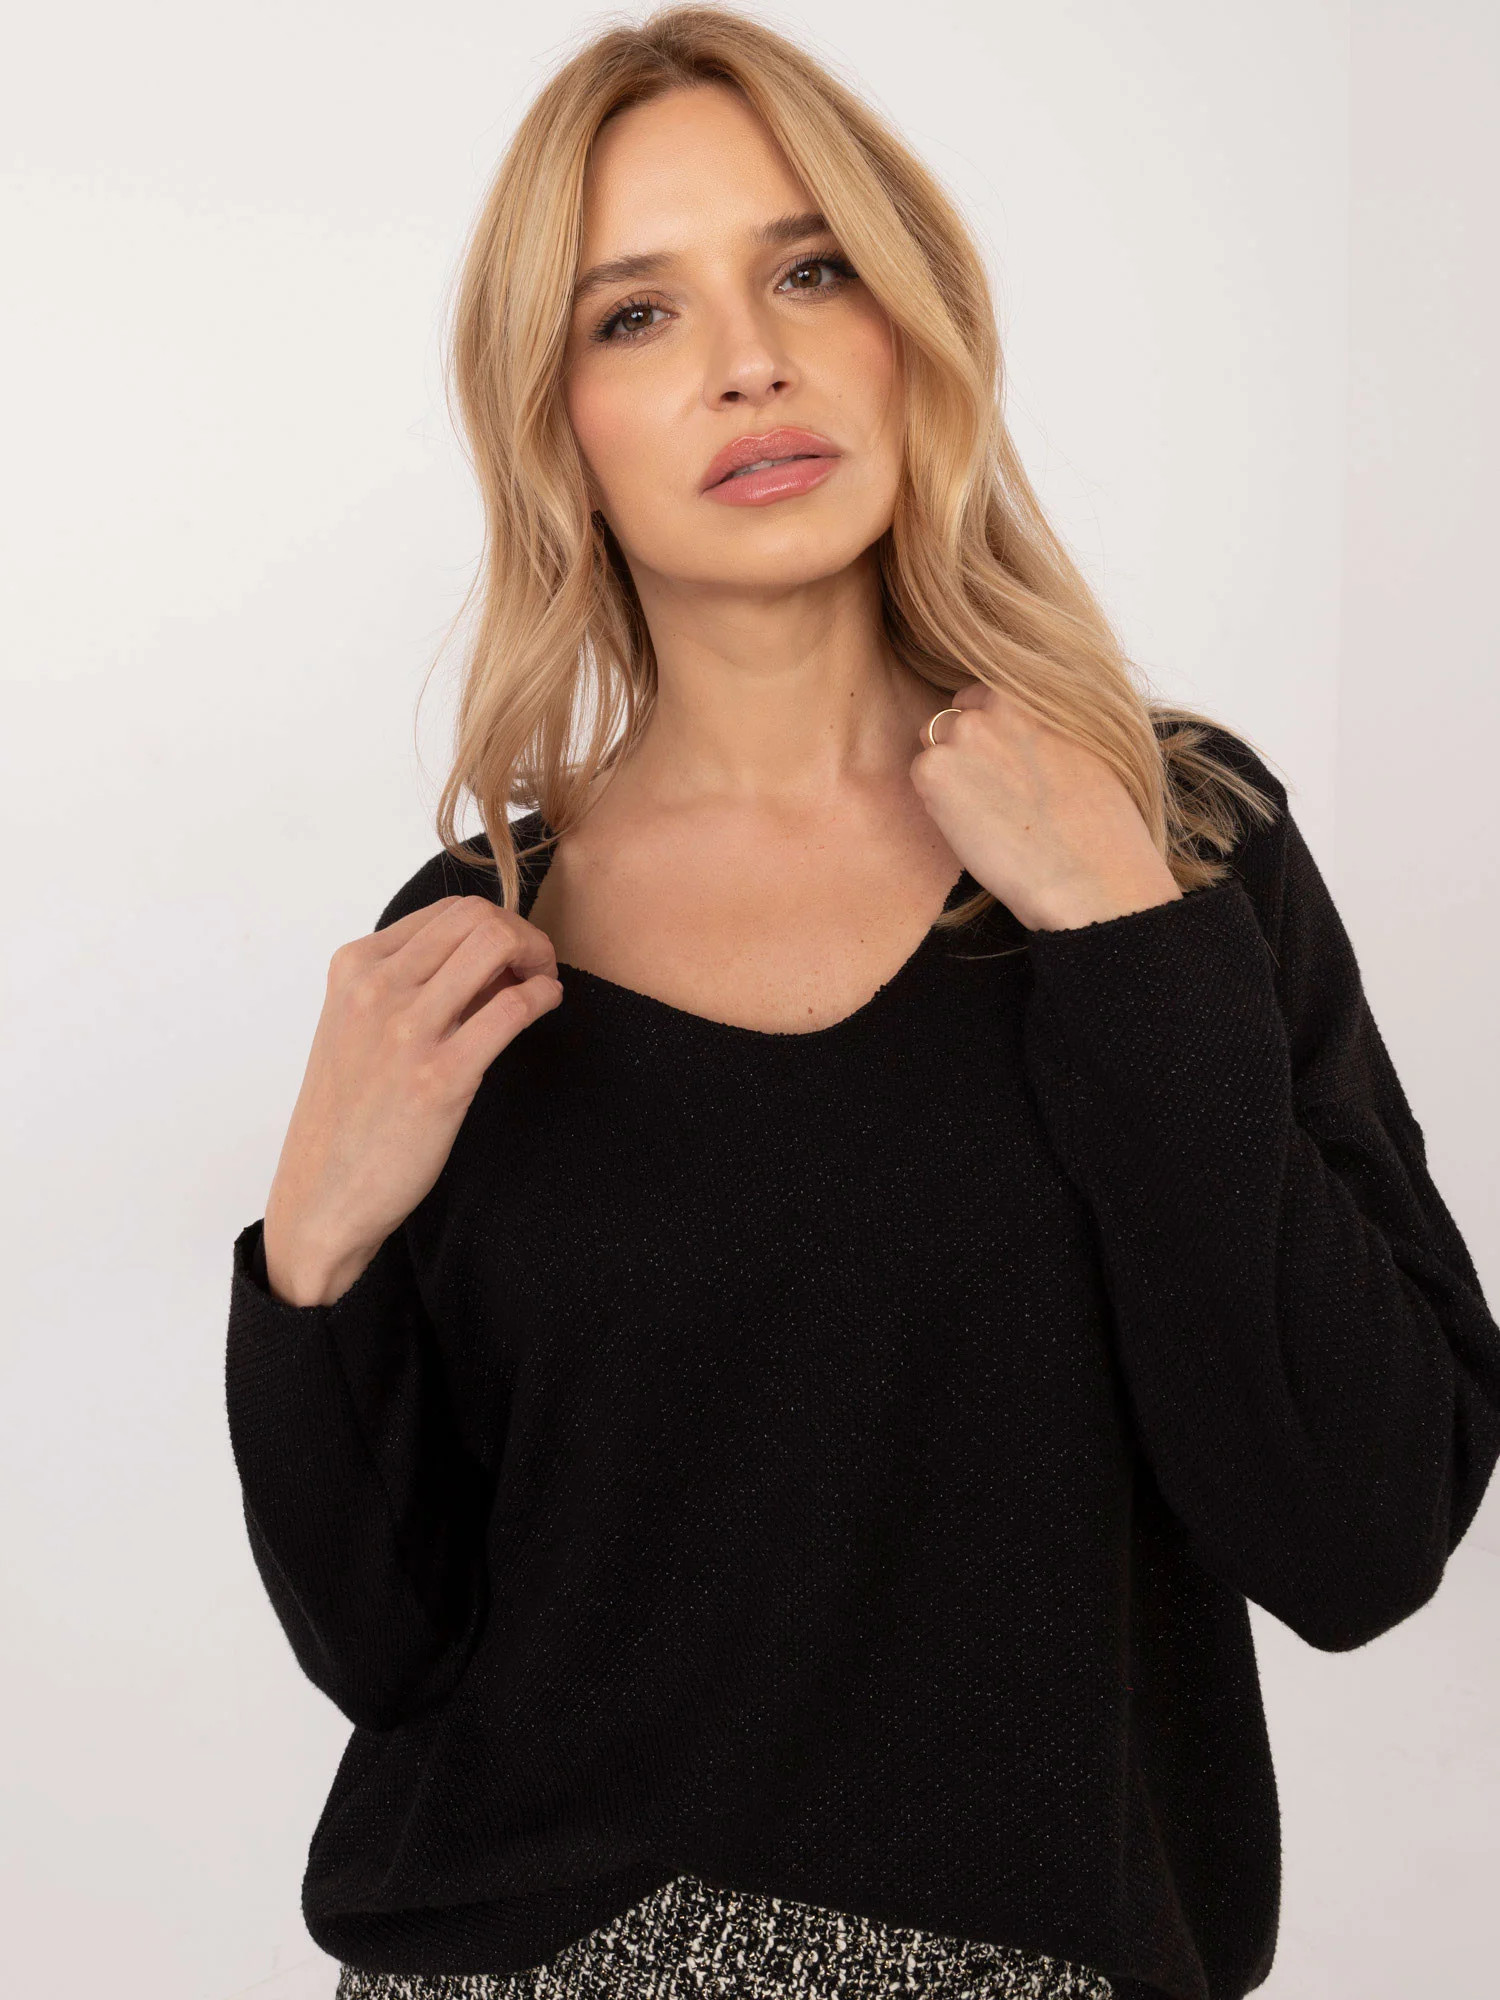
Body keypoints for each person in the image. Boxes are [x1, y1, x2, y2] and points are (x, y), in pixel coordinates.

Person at [223, 9, 1500, 2000]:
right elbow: (389, 1649)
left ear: (916, 323)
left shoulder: (1177, 846)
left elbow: (1360, 1532)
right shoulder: (471, 948)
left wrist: (1120, 935)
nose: (751, 359)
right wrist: (310, 1254)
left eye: (811, 270)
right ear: (556, 426)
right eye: (637, 314)